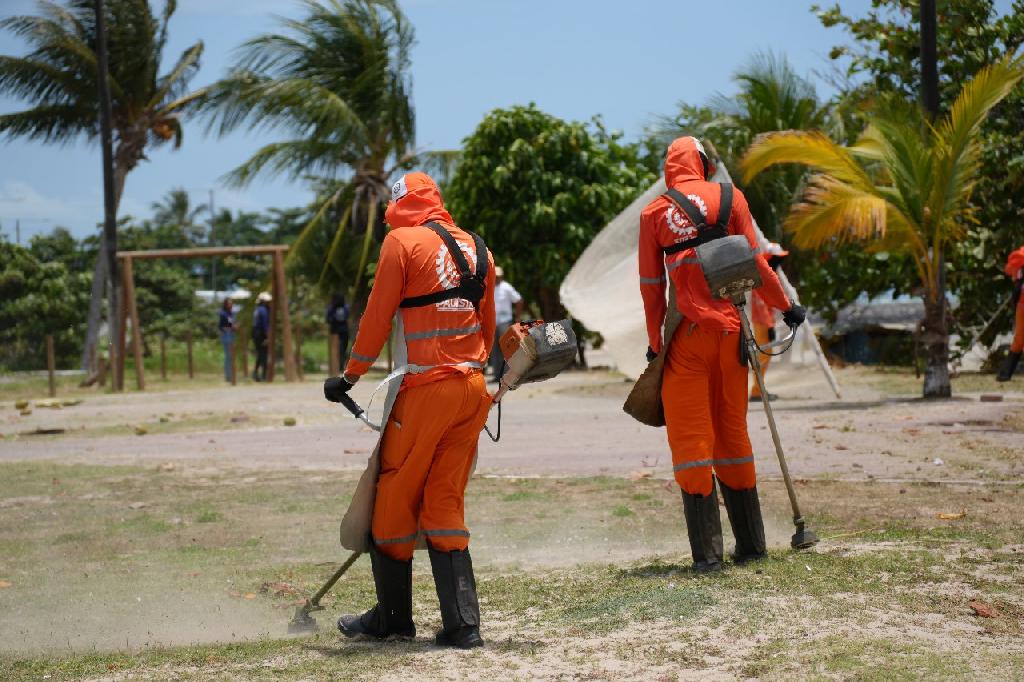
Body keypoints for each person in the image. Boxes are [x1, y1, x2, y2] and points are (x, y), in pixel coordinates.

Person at [323, 171, 495, 649]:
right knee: (445, 498)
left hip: (426, 390)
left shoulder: (401, 243)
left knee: (395, 495)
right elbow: (489, 323)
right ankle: (464, 626)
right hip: (474, 387)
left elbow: (378, 315)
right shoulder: (479, 249)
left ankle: (393, 620)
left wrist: (351, 376)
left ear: (399, 206)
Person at [638, 136, 805, 572]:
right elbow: (758, 264)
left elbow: (652, 287)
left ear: (670, 168)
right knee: (733, 435)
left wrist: (656, 344)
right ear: (704, 164)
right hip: (733, 335)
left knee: (692, 441)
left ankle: (708, 557)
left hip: (687, 339)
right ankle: (752, 547)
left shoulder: (655, 213)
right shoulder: (731, 197)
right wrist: (788, 307)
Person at [749, 242, 789, 402]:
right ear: (770, 258)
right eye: (777, 259)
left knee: (765, 355)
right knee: (763, 356)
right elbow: (760, 302)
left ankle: (758, 389)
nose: (780, 262)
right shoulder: (762, 274)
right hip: (762, 321)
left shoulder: (767, 272)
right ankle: (757, 391)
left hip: (764, 320)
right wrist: (769, 326)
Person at [488, 266, 524, 379]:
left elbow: (519, 300)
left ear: (501, 277)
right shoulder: (489, 287)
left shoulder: (506, 288)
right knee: (494, 350)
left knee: (506, 347)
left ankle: (508, 374)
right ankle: (497, 374)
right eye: (495, 276)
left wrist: (517, 317)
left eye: (498, 276)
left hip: (504, 321)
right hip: (492, 322)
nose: (496, 278)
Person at [997, 244, 1024, 381]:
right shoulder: (1020, 257)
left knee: (1019, 340)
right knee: (1019, 339)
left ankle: (1005, 374)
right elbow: (1013, 274)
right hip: (1022, 305)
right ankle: (1005, 374)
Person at [326, 292, 351, 364]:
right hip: (335, 331)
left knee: (343, 349)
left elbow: (347, 317)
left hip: (344, 331)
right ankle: (337, 365)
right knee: (336, 349)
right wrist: (334, 319)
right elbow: (328, 319)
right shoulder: (331, 308)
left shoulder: (346, 307)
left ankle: (341, 364)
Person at [252, 292, 271, 382]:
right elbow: (264, 325)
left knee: (260, 354)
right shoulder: (263, 310)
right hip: (261, 334)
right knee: (263, 354)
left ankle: (256, 373)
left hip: (256, 334)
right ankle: (263, 375)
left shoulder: (258, 309)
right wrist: (268, 336)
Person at [217, 297, 237, 382]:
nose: (231, 305)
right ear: (225, 304)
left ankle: (231, 374)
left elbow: (232, 323)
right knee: (228, 356)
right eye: (229, 303)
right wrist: (230, 327)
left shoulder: (231, 313)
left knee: (231, 356)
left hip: (232, 334)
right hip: (226, 335)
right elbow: (220, 326)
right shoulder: (223, 313)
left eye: (231, 303)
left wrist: (235, 326)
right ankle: (228, 375)